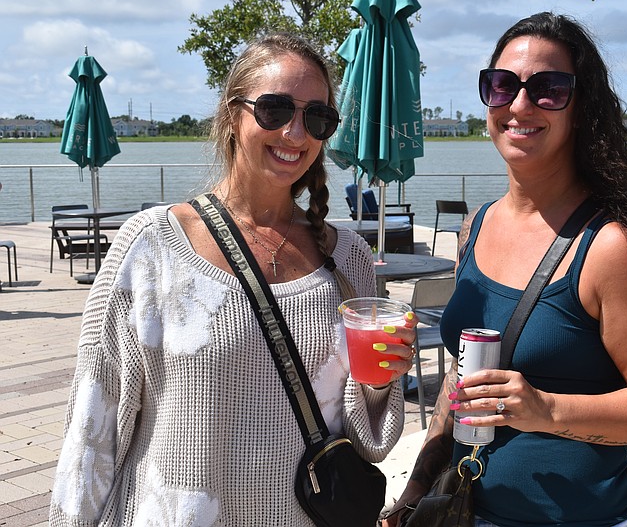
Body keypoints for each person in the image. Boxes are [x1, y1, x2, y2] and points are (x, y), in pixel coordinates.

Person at [49, 32, 417, 526]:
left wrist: (381, 380)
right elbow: (92, 432)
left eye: (316, 117)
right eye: (275, 109)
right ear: (231, 113)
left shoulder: (346, 256)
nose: (295, 133)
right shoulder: (154, 246)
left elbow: (364, 438)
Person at [383, 12, 627, 527]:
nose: (519, 104)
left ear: (581, 108)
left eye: (548, 89)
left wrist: (546, 409)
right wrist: (418, 488)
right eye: (501, 85)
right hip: (468, 514)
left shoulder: (610, 246)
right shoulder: (477, 227)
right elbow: (464, 377)